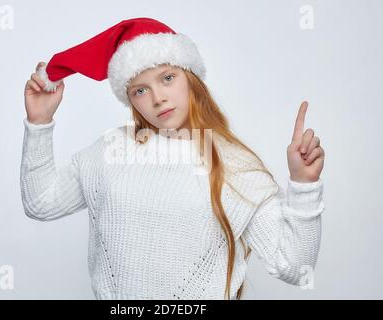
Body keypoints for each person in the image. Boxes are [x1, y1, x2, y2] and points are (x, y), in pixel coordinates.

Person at [21, 17, 326, 300]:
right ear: (130, 100)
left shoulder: (234, 164)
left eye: (167, 78)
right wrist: (39, 123)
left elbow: (296, 268)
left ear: (191, 78)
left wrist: (304, 186)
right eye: (141, 89)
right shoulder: (109, 151)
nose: (157, 98)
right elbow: (41, 203)